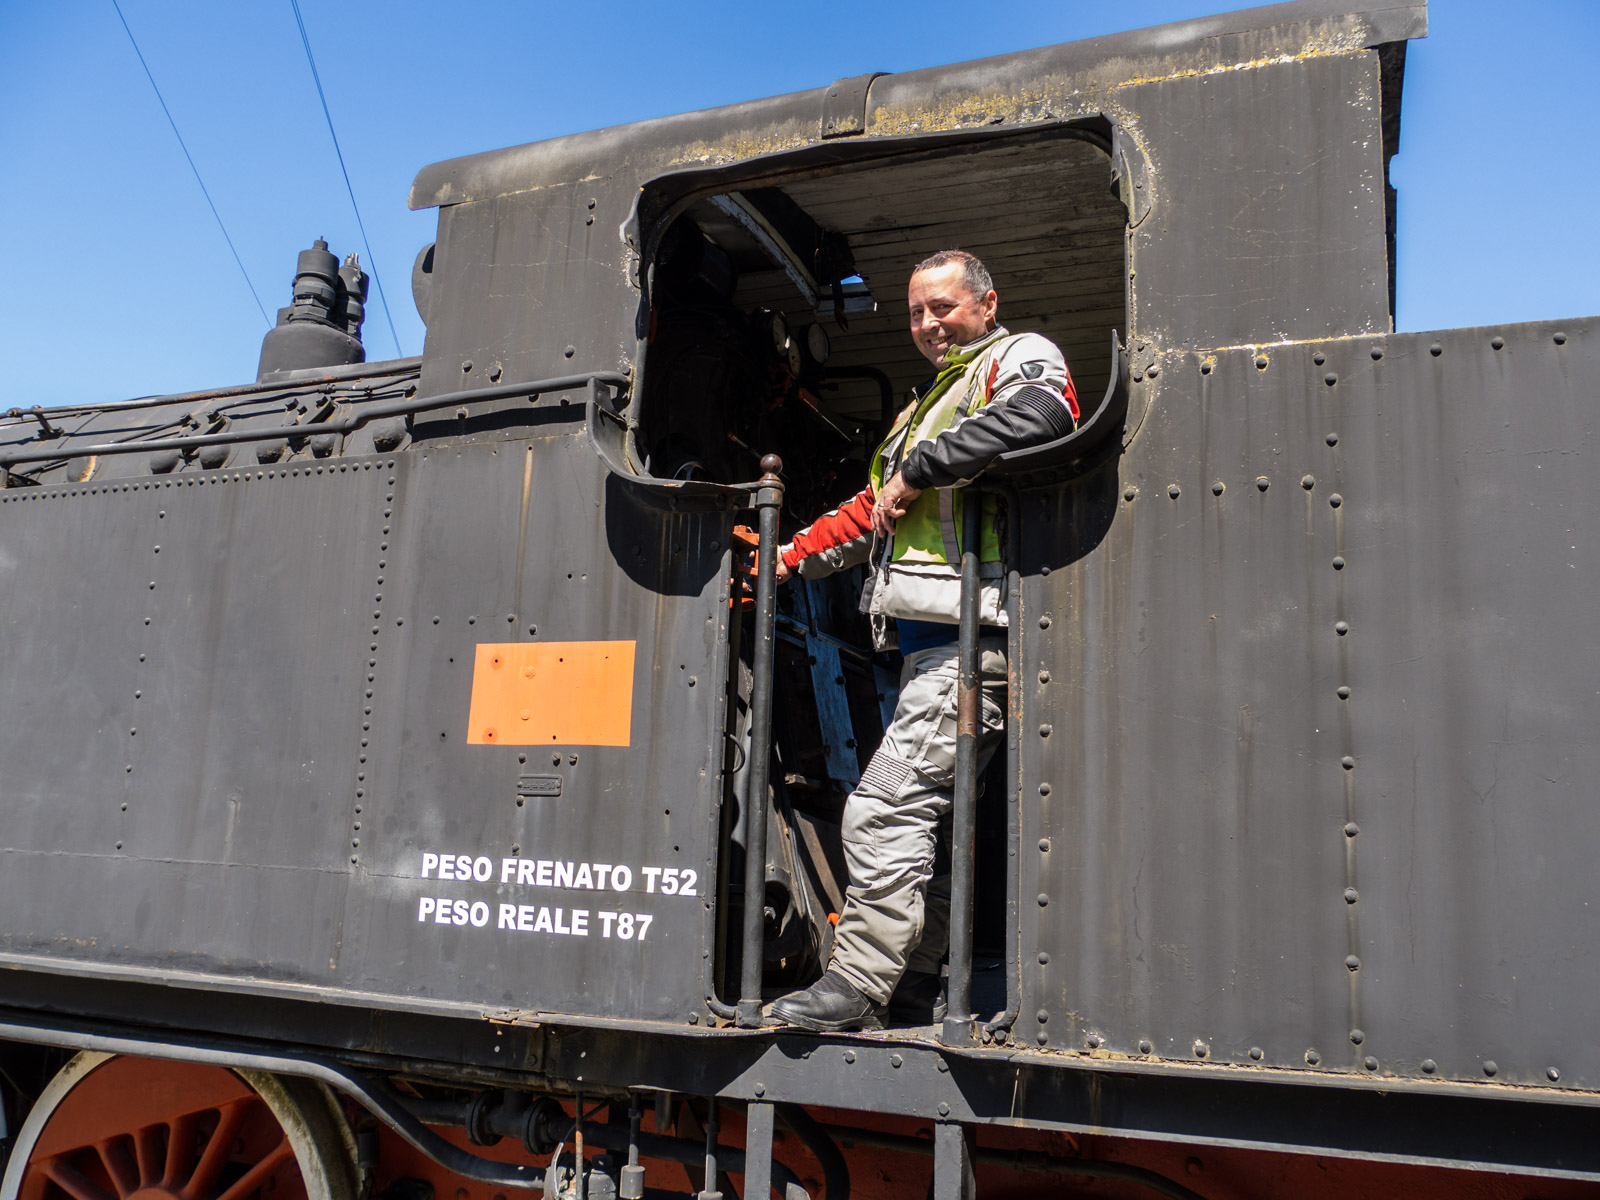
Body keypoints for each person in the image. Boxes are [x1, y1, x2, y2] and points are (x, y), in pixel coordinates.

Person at [768, 249, 1079, 1031]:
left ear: (986, 304)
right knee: (927, 826)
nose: (928, 324)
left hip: (975, 641)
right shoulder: (926, 407)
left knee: (883, 809)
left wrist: (923, 469)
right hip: (931, 649)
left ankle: (855, 986)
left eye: (943, 307)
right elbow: (873, 510)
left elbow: (1044, 415)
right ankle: (911, 983)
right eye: (916, 313)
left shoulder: (1018, 356)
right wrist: (785, 558)